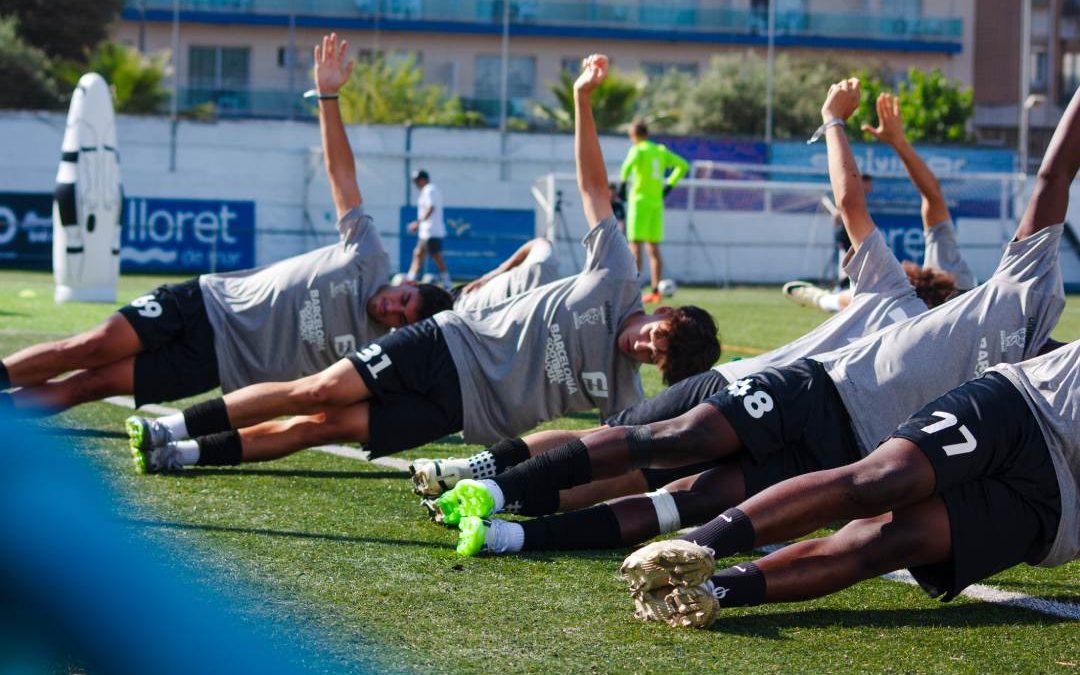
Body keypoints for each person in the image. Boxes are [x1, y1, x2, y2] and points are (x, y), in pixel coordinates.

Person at [433, 77, 1071, 557]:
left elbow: (853, 204)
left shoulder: (905, 309)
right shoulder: (923, 317)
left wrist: (834, 123)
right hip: (756, 392)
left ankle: (504, 521)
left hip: (798, 417)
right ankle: (488, 483)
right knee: (641, 456)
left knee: (654, 479)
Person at [122, 52, 721, 474]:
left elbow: (611, 450)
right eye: (655, 336)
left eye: (655, 356)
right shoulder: (616, 276)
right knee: (316, 389)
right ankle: (171, 427)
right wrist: (582, 101)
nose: (644, 349)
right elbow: (594, 188)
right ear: (658, 311)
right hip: (444, 344)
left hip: (458, 410)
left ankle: (184, 454)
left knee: (323, 426)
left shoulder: (621, 392)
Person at [0, 33, 451, 420]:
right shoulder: (368, 257)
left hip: (214, 364)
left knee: (89, 386)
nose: (393, 309)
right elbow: (342, 177)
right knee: (87, 348)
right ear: (406, 283)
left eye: (401, 319)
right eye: (403, 299)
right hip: (204, 302)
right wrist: (329, 98)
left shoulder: (366, 355)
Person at [620, 338, 1080, 628]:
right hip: (1029, 407)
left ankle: (708, 592)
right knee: (881, 480)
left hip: (1062, 503)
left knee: (894, 543)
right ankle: (696, 547)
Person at [784, 92, 975, 313]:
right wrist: (899, 142)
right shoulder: (959, 282)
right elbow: (933, 196)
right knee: (872, 290)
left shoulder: (903, 316)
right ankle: (826, 299)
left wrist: (832, 119)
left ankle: (824, 300)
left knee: (867, 296)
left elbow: (850, 205)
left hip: (888, 313)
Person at [620, 119, 689, 304]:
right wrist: (669, 185)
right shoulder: (660, 151)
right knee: (653, 248)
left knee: (635, 247)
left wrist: (621, 187)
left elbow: (625, 169)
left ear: (634, 136)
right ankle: (656, 291)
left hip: (640, 202)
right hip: (656, 204)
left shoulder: (638, 150)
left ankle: (633, 291)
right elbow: (683, 166)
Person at [451, 237, 560, 313]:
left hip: (465, 306)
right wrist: (490, 276)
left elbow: (540, 242)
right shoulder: (542, 265)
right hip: (464, 303)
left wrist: (491, 275)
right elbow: (540, 243)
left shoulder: (542, 265)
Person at [406, 169, 452, 289]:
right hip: (426, 232)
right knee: (418, 254)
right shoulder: (428, 190)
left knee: (436, 256)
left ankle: (447, 282)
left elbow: (430, 208)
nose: (416, 184)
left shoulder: (429, 189)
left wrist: (418, 223)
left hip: (431, 231)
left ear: (423, 179)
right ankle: (410, 280)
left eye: (417, 180)